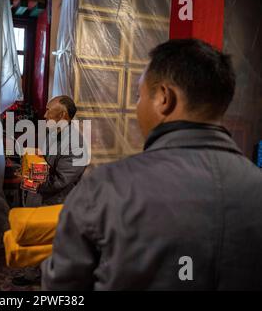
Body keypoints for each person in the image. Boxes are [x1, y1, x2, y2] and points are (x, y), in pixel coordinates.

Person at [41, 39, 262, 290]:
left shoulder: (106, 188)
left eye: (139, 96)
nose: (137, 106)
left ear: (164, 98)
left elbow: (63, 288)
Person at [13, 96, 87, 286]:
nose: (44, 115)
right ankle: (33, 273)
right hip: (40, 197)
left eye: (48, 110)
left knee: (52, 243)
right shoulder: (54, 132)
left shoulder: (76, 144)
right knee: (37, 239)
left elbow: (60, 181)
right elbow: (45, 163)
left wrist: (30, 179)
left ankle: (51, 279)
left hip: (54, 202)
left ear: (62, 115)